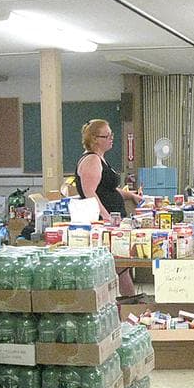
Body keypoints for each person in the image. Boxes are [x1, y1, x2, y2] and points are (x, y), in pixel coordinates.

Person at [76, 119, 142, 296]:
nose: (111, 138)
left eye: (111, 135)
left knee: (122, 266)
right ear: (95, 139)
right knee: (120, 266)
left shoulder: (101, 159)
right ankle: (129, 303)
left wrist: (131, 196)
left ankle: (130, 303)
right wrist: (106, 219)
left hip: (113, 219)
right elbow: (90, 193)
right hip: (103, 224)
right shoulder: (91, 160)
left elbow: (108, 189)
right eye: (107, 136)